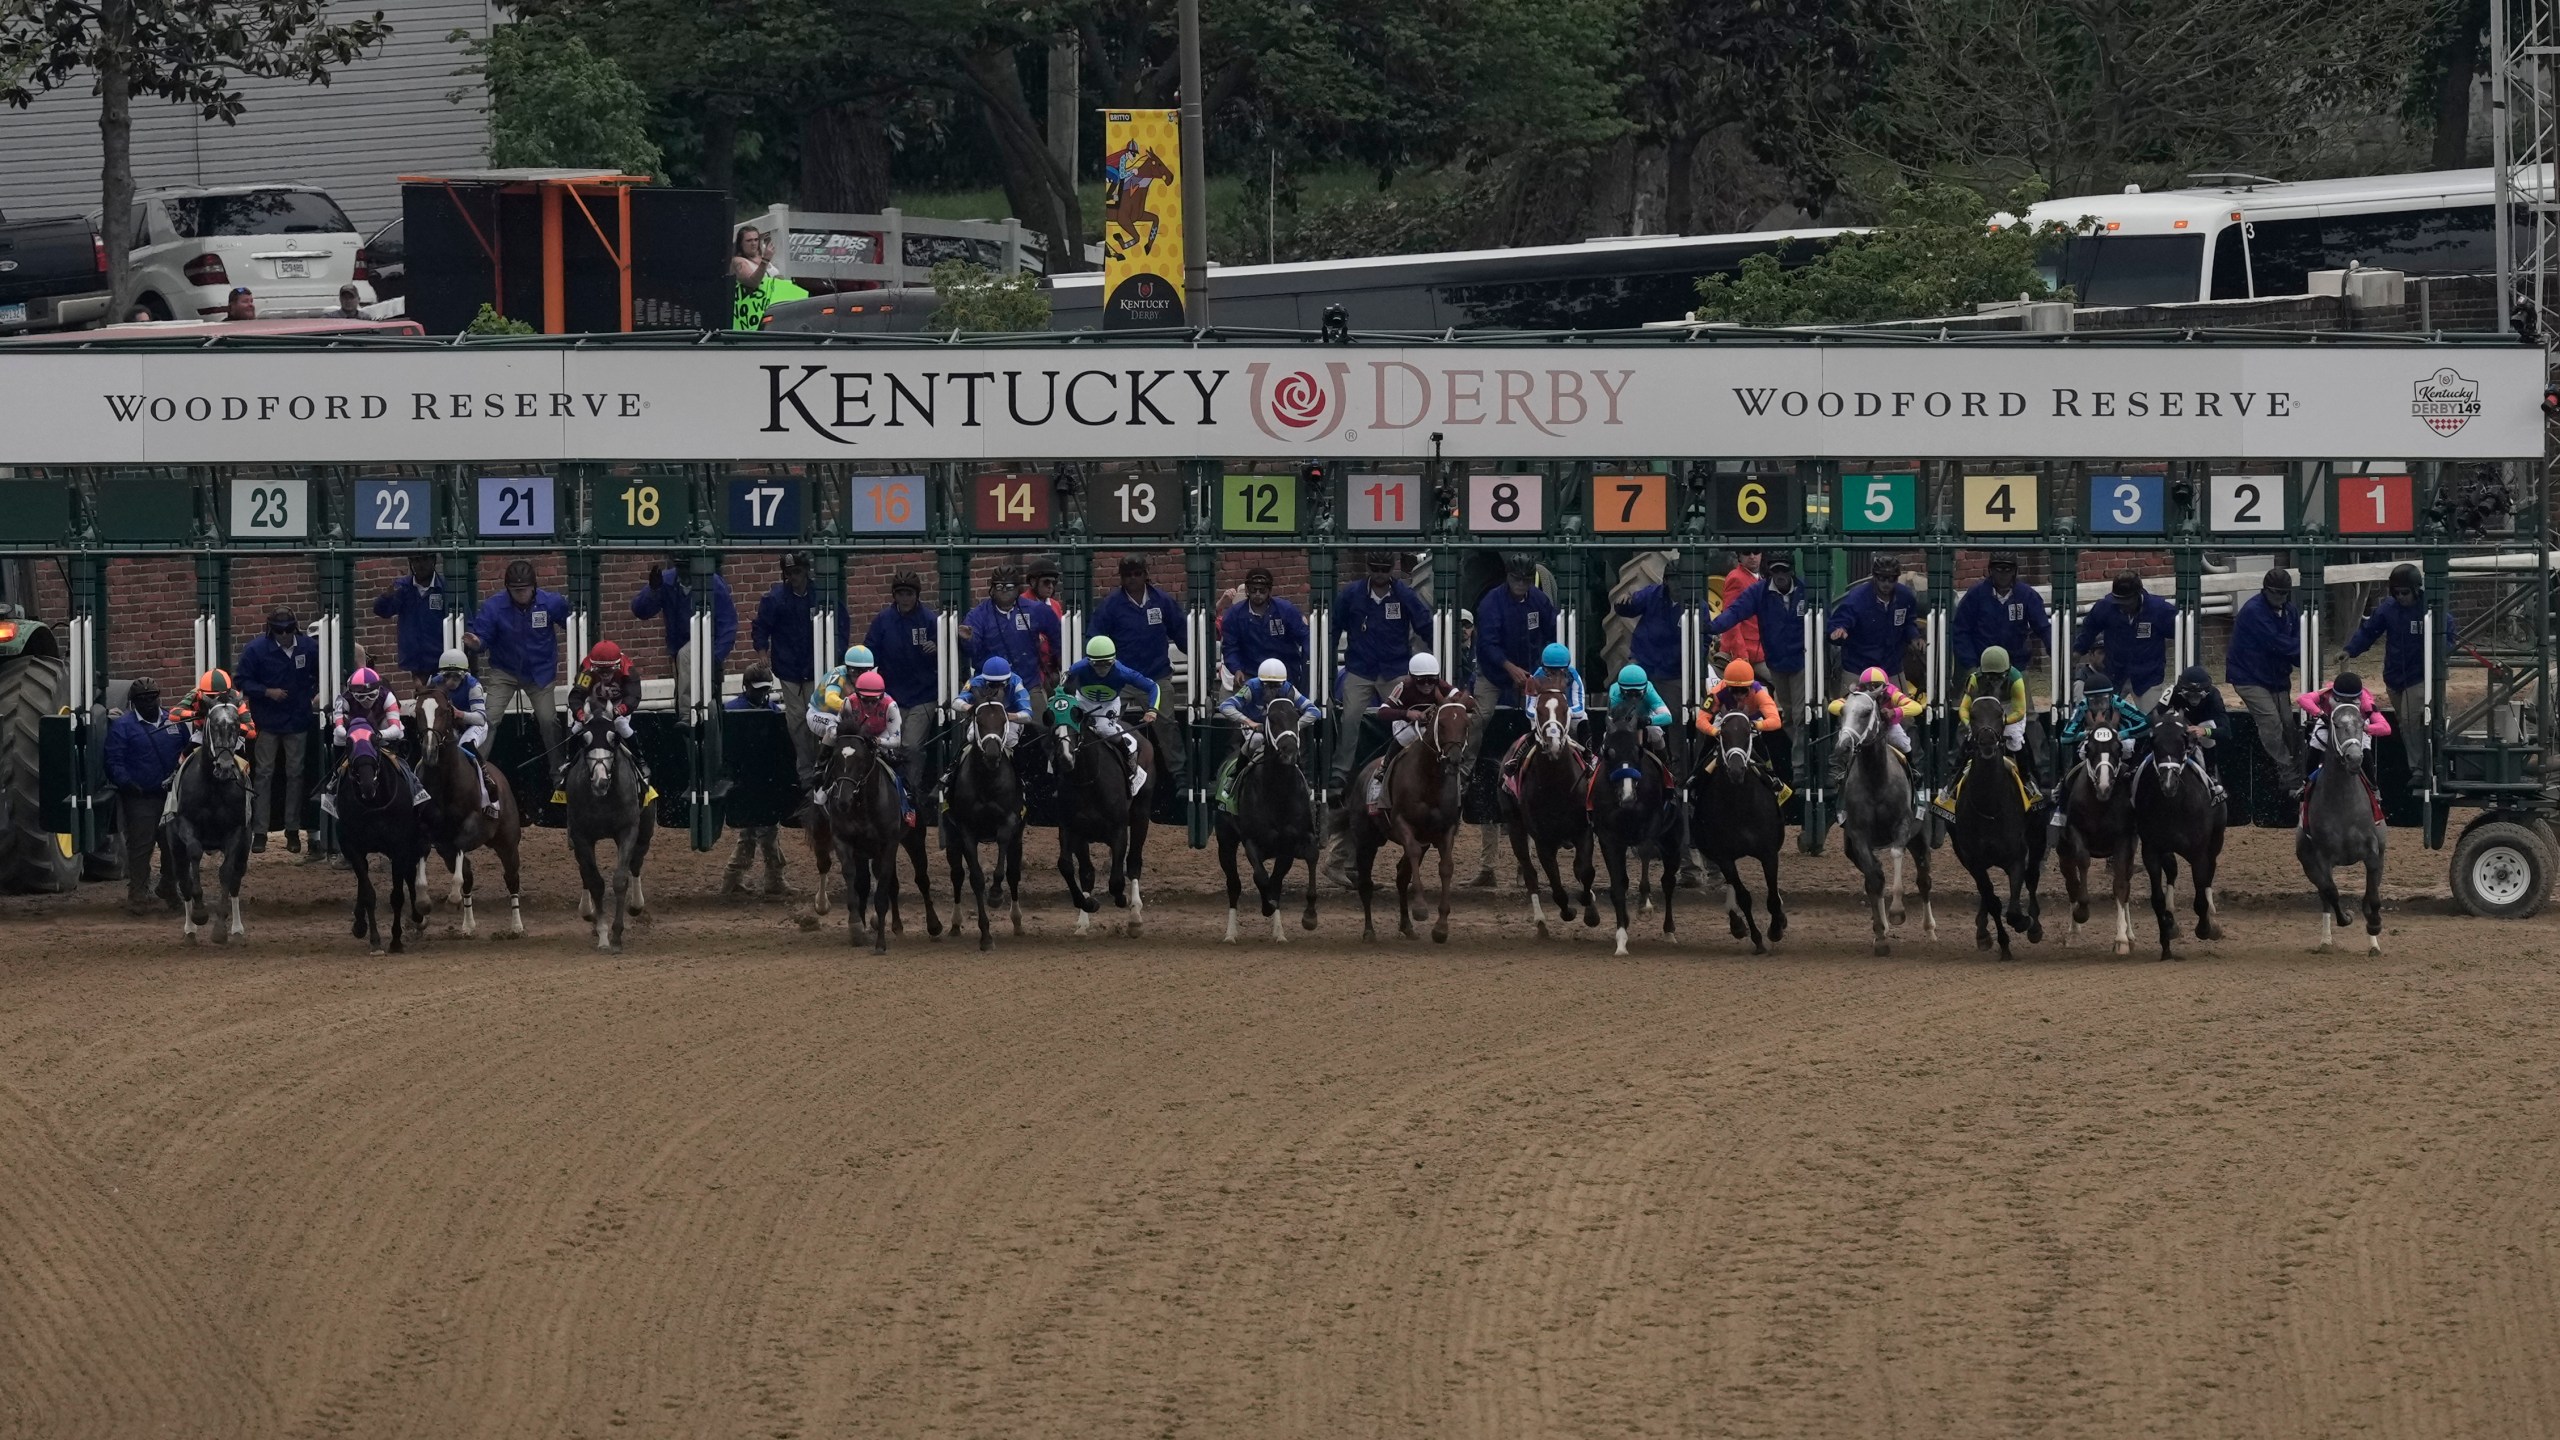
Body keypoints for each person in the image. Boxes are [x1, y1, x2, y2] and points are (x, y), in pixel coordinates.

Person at [1326, 551, 1433, 795]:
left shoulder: (1404, 594)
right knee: (1350, 718)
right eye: (1375, 569)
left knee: (1408, 716)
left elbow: (1424, 624)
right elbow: (1334, 628)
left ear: (1391, 570)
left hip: (1394, 669)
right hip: (1360, 669)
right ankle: (1340, 773)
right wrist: (1327, 660)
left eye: (1385, 570)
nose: (1380, 575)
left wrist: (1437, 654)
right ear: (1368, 568)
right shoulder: (1352, 594)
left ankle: (1415, 764)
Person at [2344, 562, 2456, 788]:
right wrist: (2350, 650)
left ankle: (2419, 768)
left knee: (2411, 718)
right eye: (2396, 593)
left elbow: (2448, 635)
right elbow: (2370, 631)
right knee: (2406, 724)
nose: (2400, 597)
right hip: (2395, 677)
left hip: (2421, 675)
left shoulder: (2431, 608)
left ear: (2416, 590)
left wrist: (2440, 654)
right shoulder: (2388, 608)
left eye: (2404, 592)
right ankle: (2426, 760)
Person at [465, 558, 571, 765]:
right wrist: (477, 643)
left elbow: (573, 621)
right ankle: (476, 770)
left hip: (540, 673)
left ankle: (559, 771)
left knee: (548, 721)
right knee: (488, 719)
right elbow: (483, 636)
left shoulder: (550, 602)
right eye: (515, 590)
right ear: (507, 589)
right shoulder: (494, 607)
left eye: (525, 589)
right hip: (504, 672)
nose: (521, 594)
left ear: (534, 587)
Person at [1092, 556, 1189, 782]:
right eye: (1127, 575)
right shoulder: (1111, 605)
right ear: (1121, 578)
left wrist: (1197, 653)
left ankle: (1180, 776)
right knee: (1103, 723)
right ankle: (1104, 771)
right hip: (1120, 678)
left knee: (1167, 726)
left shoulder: (1162, 601)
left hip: (1155, 677)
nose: (1132, 579)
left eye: (1137, 573)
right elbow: (1095, 636)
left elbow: (1182, 632)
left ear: (1146, 574)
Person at [236, 608, 319, 854]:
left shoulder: (308, 647)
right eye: (279, 631)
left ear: (295, 627)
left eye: (288, 630)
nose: (284, 635)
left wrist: (315, 694)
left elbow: (321, 672)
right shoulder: (256, 650)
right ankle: (260, 831)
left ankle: (292, 830)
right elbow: (242, 680)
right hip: (267, 721)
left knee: (296, 774)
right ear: (271, 629)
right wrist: (266, 692)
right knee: (263, 774)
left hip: (297, 720)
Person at [1706, 554, 1814, 738]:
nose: (1780, 575)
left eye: (1784, 570)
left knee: (1800, 715)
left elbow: (1824, 616)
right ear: (1769, 571)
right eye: (1775, 570)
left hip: (1800, 660)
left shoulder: (1806, 590)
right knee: (1789, 715)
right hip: (1771, 660)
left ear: (1792, 571)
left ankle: (1799, 765)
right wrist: (1711, 627)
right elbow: (1734, 612)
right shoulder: (1753, 588)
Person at [104, 678, 186, 913]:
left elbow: (185, 751)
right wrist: (127, 783)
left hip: (170, 796)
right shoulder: (123, 726)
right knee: (141, 847)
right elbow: (113, 759)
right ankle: (138, 892)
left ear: (159, 696)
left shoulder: (174, 719)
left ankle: (169, 886)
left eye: (153, 697)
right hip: (140, 797)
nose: (149, 703)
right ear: (134, 702)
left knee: (174, 846)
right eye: (143, 699)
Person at [1934, 646, 2039, 818]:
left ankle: (2028, 780)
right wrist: (1969, 724)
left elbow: (2020, 711)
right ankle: (1951, 784)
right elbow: (1964, 708)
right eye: (1990, 676)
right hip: (1984, 712)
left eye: (1998, 676)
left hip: (2008, 711)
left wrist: (2002, 722)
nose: (1994, 680)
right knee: (1969, 740)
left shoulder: (2016, 679)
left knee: (2016, 739)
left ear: (2006, 671)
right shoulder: (1974, 679)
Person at [630, 554, 737, 720]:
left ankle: (688, 715)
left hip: (708, 642)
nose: (685, 573)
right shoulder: (666, 580)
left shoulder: (713, 582)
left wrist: (715, 657)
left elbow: (728, 624)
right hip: (677, 650)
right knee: (683, 670)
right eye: (681, 568)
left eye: (688, 568)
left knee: (687, 657)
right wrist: (653, 591)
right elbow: (641, 611)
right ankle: (685, 713)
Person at [863, 570, 940, 800]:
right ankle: (889, 792)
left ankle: (910, 792)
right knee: (890, 746)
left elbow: (947, 650)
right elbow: (870, 652)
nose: (905, 598)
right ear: (894, 595)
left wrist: (937, 648)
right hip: (891, 696)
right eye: (900, 593)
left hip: (923, 695)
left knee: (911, 746)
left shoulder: (929, 619)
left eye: (909, 593)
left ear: (917, 595)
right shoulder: (883, 621)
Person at [2227, 566, 2303, 792]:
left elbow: (2294, 641)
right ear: (2265, 590)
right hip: (2247, 676)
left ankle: (2296, 767)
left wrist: (2301, 653)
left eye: (2283, 593)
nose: (2279, 597)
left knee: (2289, 724)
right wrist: (2303, 650)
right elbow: (2279, 643)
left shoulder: (2290, 611)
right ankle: (2286, 771)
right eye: (2275, 592)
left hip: (2275, 677)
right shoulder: (2253, 611)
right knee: (2271, 722)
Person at [1055, 635, 1160, 798]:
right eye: (1097, 664)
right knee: (1063, 731)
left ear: (1114, 660)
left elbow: (1153, 687)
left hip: (1108, 705)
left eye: (1106, 664)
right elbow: (1061, 689)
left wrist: (1152, 709)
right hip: (1082, 701)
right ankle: (1056, 775)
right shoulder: (1077, 668)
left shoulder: (1124, 672)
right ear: (1089, 661)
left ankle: (1130, 763)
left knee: (1103, 729)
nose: (1102, 669)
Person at [320, 665, 429, 817]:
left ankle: (413, 782)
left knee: (396, 739)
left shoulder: (387, 696)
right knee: (337, 739)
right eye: (361, 697)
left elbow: (396, 728)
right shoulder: (343, 699)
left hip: (380, 732)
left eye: (371, 696)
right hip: (354, 733)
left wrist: (376, 736)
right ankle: (334, 780)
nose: (367, 701)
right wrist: (356, 736)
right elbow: (339, 730)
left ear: (379, 690)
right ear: (352, 693)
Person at [752, 551, 824, 782]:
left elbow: (839, 624)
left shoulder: (819, 595)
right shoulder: (775, 599)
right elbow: (761, 626)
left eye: (798, 572)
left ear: (806, 571)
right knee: (797, 722)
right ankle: (805, 775)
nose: (794, 577)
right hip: (789, 669)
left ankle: (821, 767)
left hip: (816, 666)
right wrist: (762, 651)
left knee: (818, 718)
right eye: (790, 573)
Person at [720, 662, 789, 895]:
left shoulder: (773, 710)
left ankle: (735, 878)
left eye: (765, 689)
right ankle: (771, 879)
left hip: (765, 781)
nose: (762, 693)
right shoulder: (731, 711)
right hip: (744, 781)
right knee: (761, 831)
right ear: (745, 686)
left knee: (756, 832)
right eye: (758, 688)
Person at [1214, 658, 1315, 809]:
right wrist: (1249, 722)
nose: (1273, 689)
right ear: (1261, 682)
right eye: (1268, 685)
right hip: (1256, 727)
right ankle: (1233, 779)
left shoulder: (1289, 689)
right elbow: (1226, 706)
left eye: (1277, 685)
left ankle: (1305, 782)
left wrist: (1293, 726)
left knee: (1292, 743)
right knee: (1256, 741)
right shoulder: (1251, 687)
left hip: (1278, 731)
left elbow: (1314, 711)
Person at [162, 669, 256, 826]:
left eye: (217, 696)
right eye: (210, 697)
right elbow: (173, 713)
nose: (214, 699)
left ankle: (248, 793)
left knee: (244, 763)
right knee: (187, 751)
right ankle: (175, 777)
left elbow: (252, 730)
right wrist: (196, 713)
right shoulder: (195, 693)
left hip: (230, 735)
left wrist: (233, 724)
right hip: (204, 733)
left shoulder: (237, 699)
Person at [2073, 571, 2179, 709]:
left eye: (2127, 602)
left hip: (2148, 676)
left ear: (2138, 595)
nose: (2122, 606)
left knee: (2152, 718)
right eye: (2119, 601)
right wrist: (2076, 652)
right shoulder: (2105, 607)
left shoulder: (2158, 609)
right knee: (2104, 715)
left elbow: (2180, 631)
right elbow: (2088, 630)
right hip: (2114, 674)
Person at [558, 640, 650, 800]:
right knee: (577, 727)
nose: (605, 674)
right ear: (594, 666)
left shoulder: (628, 670)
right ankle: (568, 761)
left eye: (608, 670)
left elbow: (633, 696)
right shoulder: (586, 670)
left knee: (621, 724)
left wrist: (618, 710)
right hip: (593, 706)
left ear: (617, 664)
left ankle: (640, 760)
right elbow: (577, 695)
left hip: (618, 706)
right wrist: (580, 714)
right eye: (600, 670)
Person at [1828, 553, 1925, 699]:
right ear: (1874, 577)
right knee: (1851, 715)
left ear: (1897, 578)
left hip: (1891, 667)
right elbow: (1842, 619)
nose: (1886, 583)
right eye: (1882, 578)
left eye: (1891, 579)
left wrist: (1914, 637)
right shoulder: (1857, 598)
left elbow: (1908, 622)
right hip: (1858, 667)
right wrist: (1839, 630)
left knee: (1905, 717)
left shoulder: (1905, 597)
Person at [960, 564, 1060, 702]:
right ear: (992, 590)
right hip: (990, 686)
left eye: (1009, 587)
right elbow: (972, 651)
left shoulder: (1035, 610)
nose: (1004, 591)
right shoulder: (978, 615)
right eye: (999, 587)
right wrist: (969, 639)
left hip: (1028, 683)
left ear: (1018, 589)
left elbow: (1057, 634)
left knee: (1040, 721)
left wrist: (1054, 664)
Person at [1697, 658, 1790, 800]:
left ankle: (1773, 779)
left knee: (1763, 753)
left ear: (1751, 686)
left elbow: (1776, 721)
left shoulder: (1759, 692)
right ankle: (1695, 780)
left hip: (1750, 723)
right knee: (1705, 750)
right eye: (1734, 691)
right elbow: (1701, 720)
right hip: (1724, 723)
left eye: (1743, 691)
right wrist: (1715, 732)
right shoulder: (1717, 691)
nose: (1738, 696)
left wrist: (1755, 726)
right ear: (1726, 686)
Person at [1498, 640, 1587, 787]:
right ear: (1544, 668)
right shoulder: (1535, 678)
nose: (1555, 676)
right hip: (1545, 716)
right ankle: (1515, 761)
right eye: (1551, 672)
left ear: (1566, 668)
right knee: (1534, 731)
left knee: (1583, 720)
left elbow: (1580, 708)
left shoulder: (1574, 677)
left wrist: (1562, 713)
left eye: (1560, 671)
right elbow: (1530, 709)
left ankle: (1589, 758)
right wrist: (1545, 716)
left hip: (1568, 716)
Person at [428, 648, 502, 820]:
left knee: (464, 747)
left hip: (473, 726)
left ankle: (486, 784)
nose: (451, 682)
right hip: (451, 726)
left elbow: (481, 718)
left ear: (464, 675)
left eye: (456, 677)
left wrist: (460, 714)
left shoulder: (473, 686)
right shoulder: (434, 682)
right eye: (447, 676)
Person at [1951, 553, 2049, 676]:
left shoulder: (2026, 595)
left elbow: (2043, 627)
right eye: (1999, 570)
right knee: (1974, 692)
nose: (2003, 575)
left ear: (2014, 571)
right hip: (1982, 666)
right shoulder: (1975, 595)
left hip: (2016, 665)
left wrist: (2055, 651)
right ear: (1991, 570)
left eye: (2008, 570)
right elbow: (1960, 630)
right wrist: (1971, 665)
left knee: (2023, 691)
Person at [1825, 666, 1925, 785]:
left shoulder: (1893, 692)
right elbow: (1832, 706)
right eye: (1868, 686)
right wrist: (1849, 708)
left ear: (1885, 686)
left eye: (1876, 685)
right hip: (1865, 729)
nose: (1872, 689)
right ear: (1862, 686)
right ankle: (1842, 771)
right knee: (1848, 739)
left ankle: (1912, 770)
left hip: (1887, 727)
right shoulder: (1857, 693)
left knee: (1903, 742)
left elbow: (1917, 707)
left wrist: (1894, 712)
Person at [1221, 566, 1309, 691]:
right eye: (1253, 590)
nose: (1257, 594)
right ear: (1247, 590)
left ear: (1269, 590)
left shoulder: (1286, 610)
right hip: (1250, 675)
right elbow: (1230, 647)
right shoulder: (1234, 615)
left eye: (1262, 590)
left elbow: (1305, 636)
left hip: (1285, 673)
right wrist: (1236, 669)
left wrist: (1306, 665)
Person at [372, 553, 453, 690]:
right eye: (416, 560)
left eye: (424, 559)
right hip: (416, 659)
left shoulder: (445, 587)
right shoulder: (402, 587)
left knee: (440, 700)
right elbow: (383, 611)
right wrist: (386, 597)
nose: (420, 564)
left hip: (441, 658)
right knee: (422, 699)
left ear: (433, 560)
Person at [2151, 663, 2230, 803]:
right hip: (2181, 728)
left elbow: (2226, 731)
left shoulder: (2214, 695)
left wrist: (2204, 731)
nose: (2194, 699)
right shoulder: (2172, 691)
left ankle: (2211, 774)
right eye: (2189, 695)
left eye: (2198, 695)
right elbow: (2153, 717)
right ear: (2181, 691)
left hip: (2203, 730)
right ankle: (2141, 766)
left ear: (2206, 692)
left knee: (2209, 725)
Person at [948, 655, 1036, 755]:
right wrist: (970, 708)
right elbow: (956, 702)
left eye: (1001, 684)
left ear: (1008, 679)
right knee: (972, 735)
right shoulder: (975, 682)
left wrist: (1005, 716)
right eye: (992, 685)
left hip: (1009, 720)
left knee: (1010, 738)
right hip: (984, 719)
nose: (997, 689)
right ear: (985, 680)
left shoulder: (1016, 683)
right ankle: (955, 764)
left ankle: (1016, 766)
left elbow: (1028, 714)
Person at [1610, 575, 1685, 686]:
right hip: (1643, 659)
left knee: (1671, 700)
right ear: (1665, 581)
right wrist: (1622, 604)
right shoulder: (1652, 593)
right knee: (1623, 686)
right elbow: (1632, 607)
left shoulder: (1695, 603)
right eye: (1673, 579)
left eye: (1680, 579)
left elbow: (1704, 638)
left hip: (1671, 670)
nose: (1677, 584)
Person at [1605, 662, 1674, 758]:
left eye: (1637, 694)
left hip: (1644, 721)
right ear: (1621, 690)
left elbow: (1668, 717)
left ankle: (1665, 763)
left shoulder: (1650, 691)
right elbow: (1612, 721)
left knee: (1656, 732)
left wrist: (1648, 720)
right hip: (1623, 723)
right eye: (1629, 694)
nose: (1634, 699)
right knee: (1607, 737)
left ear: (1645, 689)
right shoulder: (1614, 694)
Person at [1721, 550, 1765, 669]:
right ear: (1739, 556)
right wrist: (1741, 655)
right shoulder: (1736, 578)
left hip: (1761, 650)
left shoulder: (1760, 578)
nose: (1752, 556)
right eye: (1746, 552)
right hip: (1748, 652)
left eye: (1756, 552)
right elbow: (1731, 620)